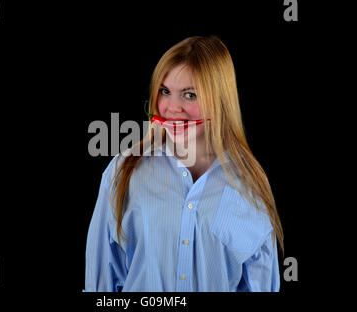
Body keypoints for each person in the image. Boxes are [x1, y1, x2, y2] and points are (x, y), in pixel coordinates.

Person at [84, 35, 283, 292]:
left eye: (189, 95)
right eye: (165, 92)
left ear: (220, 102)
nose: (172, 108)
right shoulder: (123, 171)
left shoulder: (250, 184)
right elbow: (100, 286)